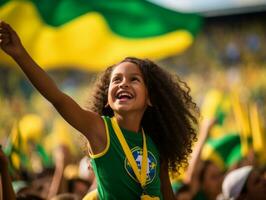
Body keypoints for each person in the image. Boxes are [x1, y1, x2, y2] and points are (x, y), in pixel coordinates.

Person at [0, 21, 199, 199]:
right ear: (107, 101)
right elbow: (57, 97)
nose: (123, 84)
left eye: (134, 79)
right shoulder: (100, 131)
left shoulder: (155, 143)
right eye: (117, 80)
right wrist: (20, 54)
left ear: (151, 99)